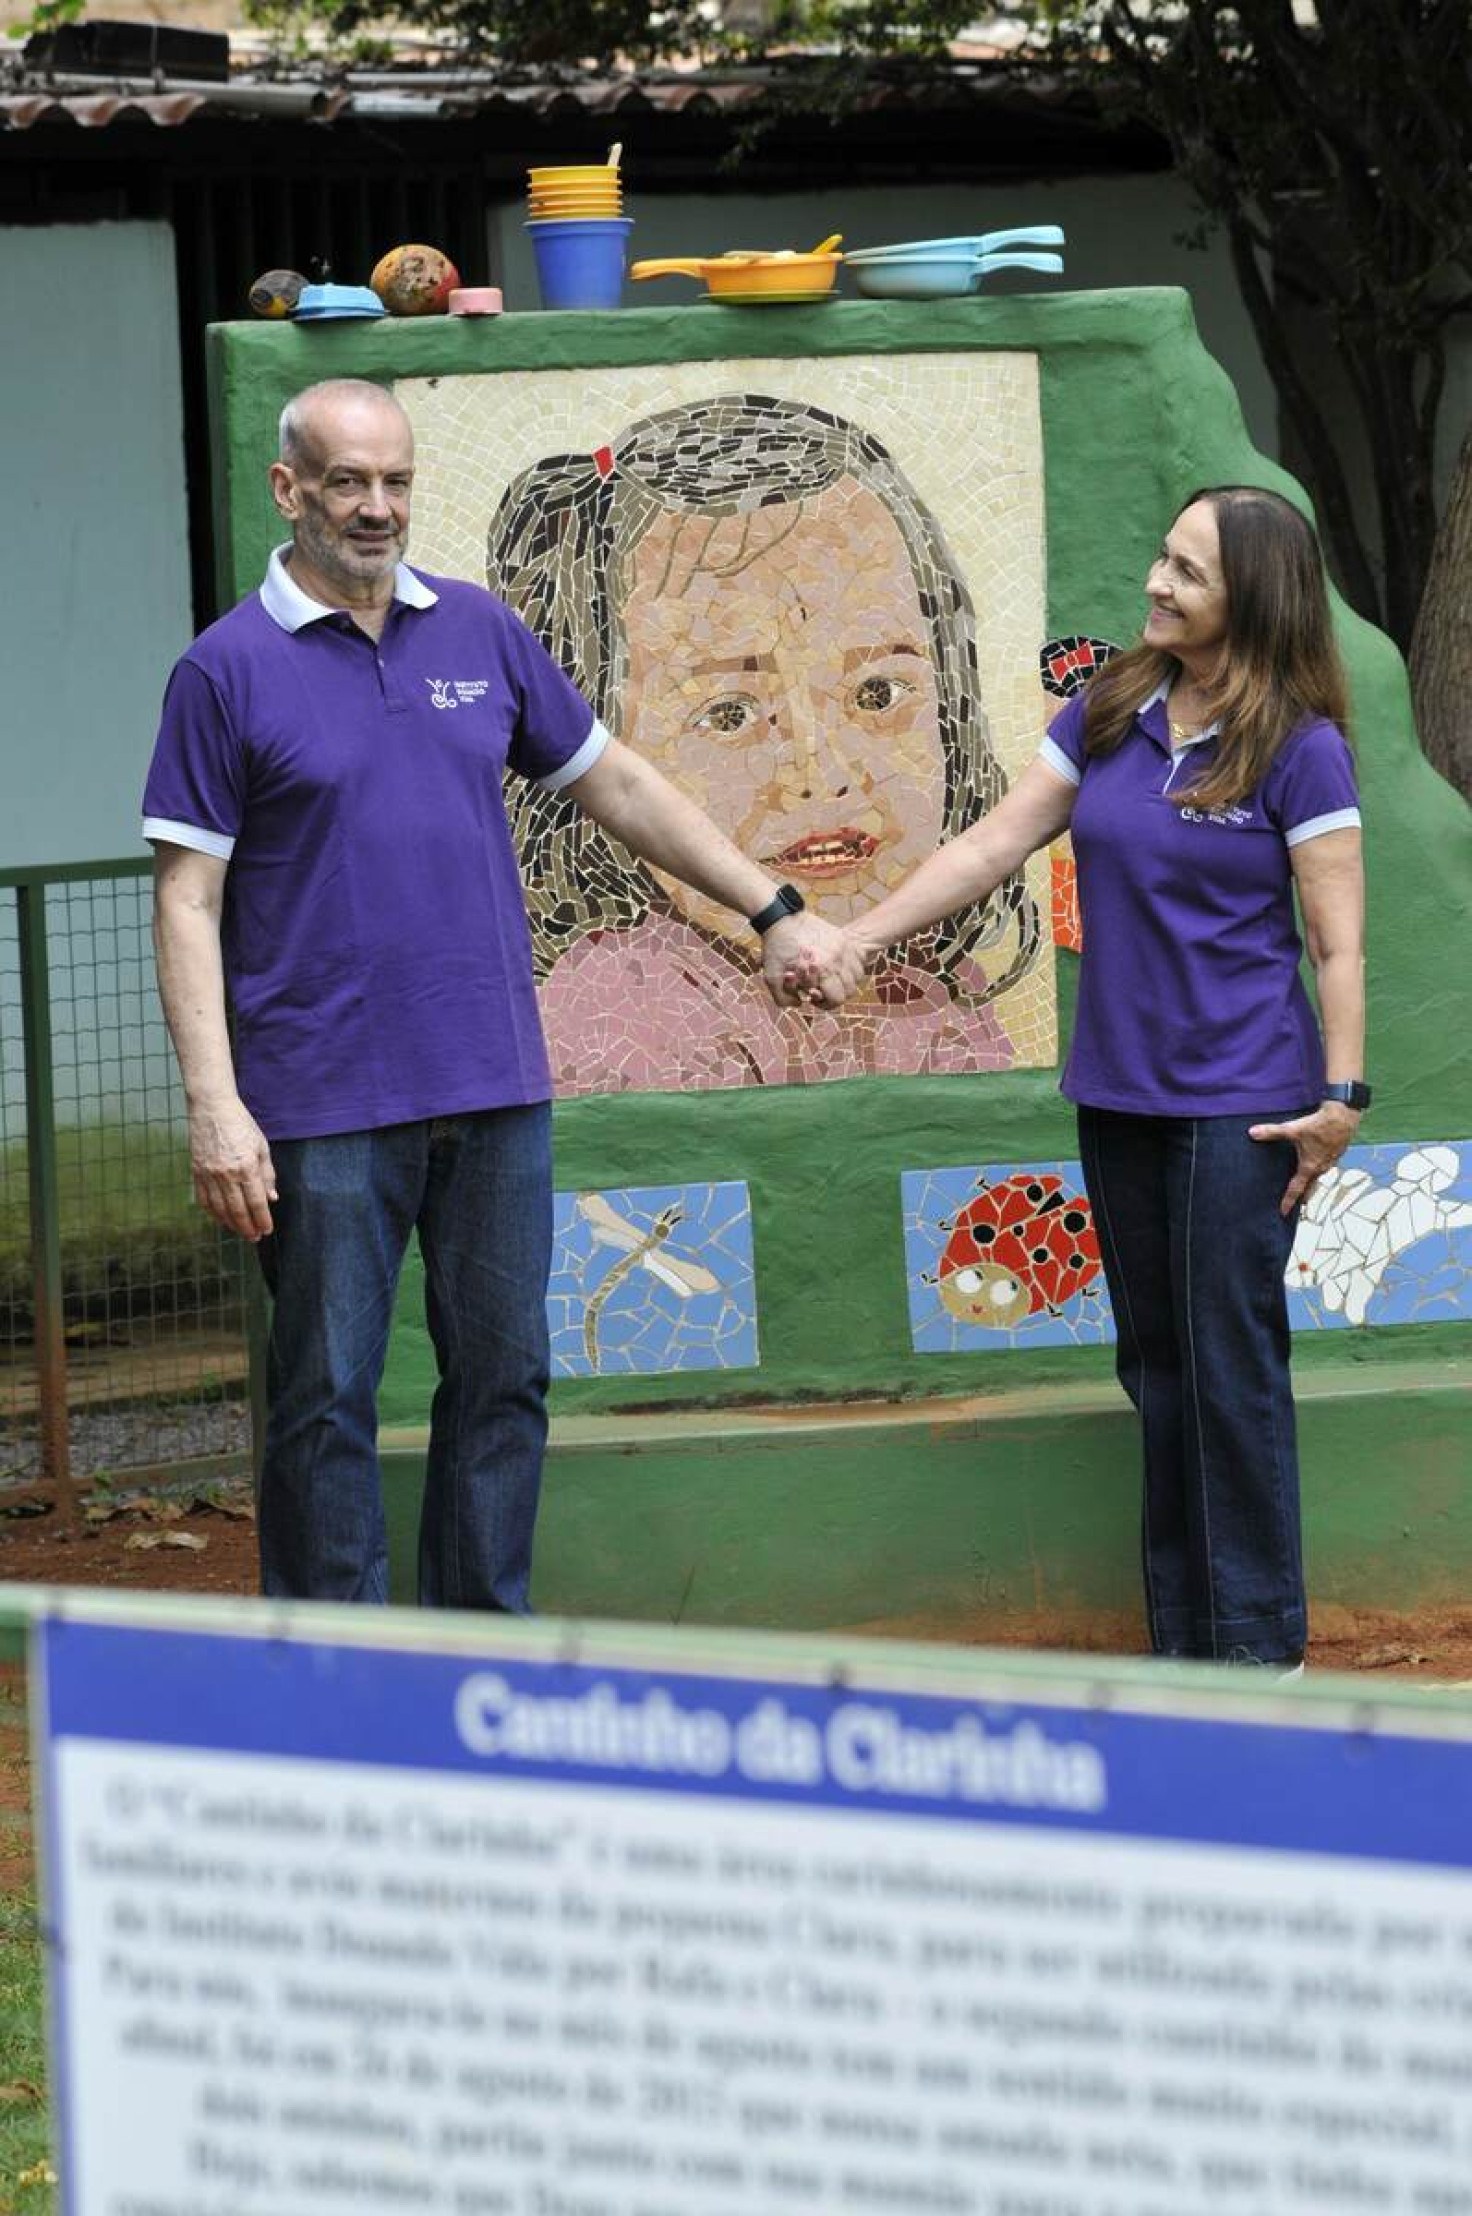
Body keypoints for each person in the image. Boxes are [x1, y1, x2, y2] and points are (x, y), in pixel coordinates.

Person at [142, 376, 849, 1611]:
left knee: (504, 1377)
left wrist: (770, 905)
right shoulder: (223, 672)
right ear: (288, 488)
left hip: (494, 1082)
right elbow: (187, 900)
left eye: (395, 482)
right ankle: (339, 1668)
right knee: (324, 1397)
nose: (376, 508)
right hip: (319, 1105)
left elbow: (615, 784)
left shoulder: (477, 631)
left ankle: (478, 1650)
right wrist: (217, 1104)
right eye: (349, 482)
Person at [798, 485, 1367, 1673]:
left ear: (1249, 597)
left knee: (1227, 1372)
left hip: (1241, 1107)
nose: (1158, 581)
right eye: (1162, 556)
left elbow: (1336, 941)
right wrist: (858, 935)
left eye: (1189, 572)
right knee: (1157, 1372)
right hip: (1119, 1093)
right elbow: (993, 842)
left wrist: (1339, 1100)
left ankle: (1258, 1655)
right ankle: (1189, 1652)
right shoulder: (1111, 706)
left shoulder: (1298, 747)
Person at [485, 395, 1043, 1093]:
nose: (822, 774)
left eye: (877, 694)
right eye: (728, 716)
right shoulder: (630, 1023)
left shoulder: (929, 995)